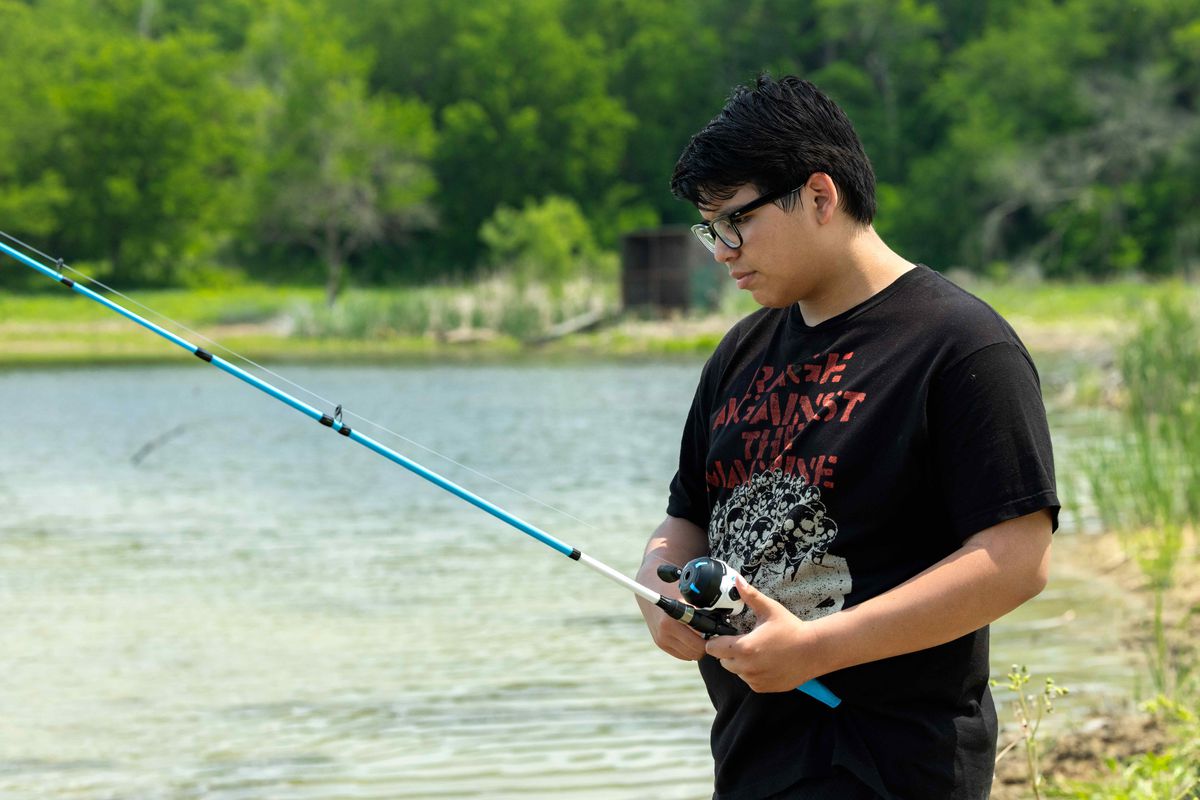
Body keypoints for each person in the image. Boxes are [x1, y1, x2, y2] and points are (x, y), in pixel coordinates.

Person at [634, 75, 1059, 800]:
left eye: (736, 221)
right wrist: (655, 582)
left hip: (892, 768)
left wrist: (815, 648)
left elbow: (1017, 559)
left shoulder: (961, 347)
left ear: (821, 196)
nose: (721, 251)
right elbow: (686, 517)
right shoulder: (740, 351)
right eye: (710, 229)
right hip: (749, 759)